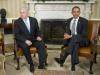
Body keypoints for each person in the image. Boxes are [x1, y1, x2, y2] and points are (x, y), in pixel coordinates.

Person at [54, 6, 89, 71]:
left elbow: (83, 35)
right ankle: (73, 66)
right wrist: (66, 34)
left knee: (74, 39)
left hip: (82, 40)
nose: (76, 13)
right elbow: (67, 31)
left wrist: (71, 36)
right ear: (71, 13)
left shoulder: (84, 21)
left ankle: (63, 59)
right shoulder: (69, 20)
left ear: (80, 12)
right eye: (74, 12)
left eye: (77, 12)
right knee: (75, 44)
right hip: (74, 41)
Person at [14, 6, 46, 73]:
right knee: (25, 46)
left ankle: (41, 64)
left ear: (28, 13)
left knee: (41, 44)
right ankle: (31, 64)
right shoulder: (17, 22)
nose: (22, 14)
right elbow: (17, 35)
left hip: (33, 39)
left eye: (23, 13)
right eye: (20, 13)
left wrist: (38, 36)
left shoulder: (33, 20)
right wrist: (25, 40)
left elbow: (37, 30)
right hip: (22, 40)